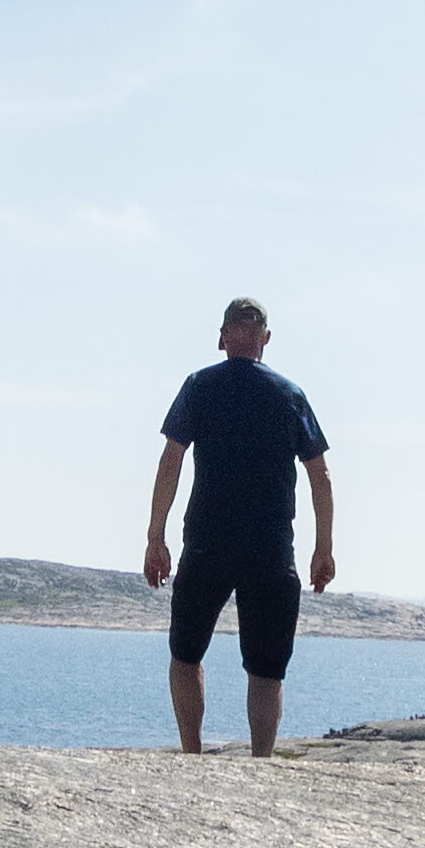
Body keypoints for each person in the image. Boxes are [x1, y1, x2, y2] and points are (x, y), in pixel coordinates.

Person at [144, 297, 334, 755]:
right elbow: (319, 475)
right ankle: (260, 764)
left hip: (208, 542)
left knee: (186, 653)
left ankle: (191, 755)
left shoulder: (199, 386)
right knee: (267, 669)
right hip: (269, 548)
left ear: (223, 336)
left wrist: (156, 537)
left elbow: (171, 460)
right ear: (265, 339)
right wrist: (323, 548)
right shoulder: (289, 395)